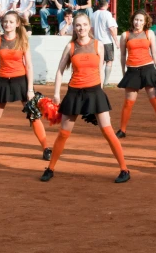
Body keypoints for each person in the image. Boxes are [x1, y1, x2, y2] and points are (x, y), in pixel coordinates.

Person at [42, 12, 129, 182]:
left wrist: (100, 92)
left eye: (84, 25)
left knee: (108, 131)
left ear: (90, 26)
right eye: (78, 25)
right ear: (74, 27)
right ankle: (50, 168)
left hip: (95, 92)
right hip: (74, 93)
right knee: (63, 133)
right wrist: (56, 94)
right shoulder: (70, 47)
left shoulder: (99, 45)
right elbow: (60, 71)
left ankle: (124, 169)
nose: (81, 28)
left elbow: (100, 70)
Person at [0, 11, 51, 161]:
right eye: (5, 21)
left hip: (21, 81)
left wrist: (30, 89)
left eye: (11, 22)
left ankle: (46, 148)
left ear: (17, 24)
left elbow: (29, 66)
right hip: (2, 82)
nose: (8, 24)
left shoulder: (23, 40)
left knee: (33, 114)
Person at [116, 10, 156, 140]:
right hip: (132, 70)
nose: (138, 22)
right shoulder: (125, 35)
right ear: (132, 20)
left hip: (148, 69)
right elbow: (123, 55)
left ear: (145, 22)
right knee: (128, 103)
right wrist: (123, 71)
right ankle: (122, 130)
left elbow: (155, 52)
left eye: (141, 20)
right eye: (136, 19)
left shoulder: (149, 33)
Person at [90, 0, 119, 86]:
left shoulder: (93, 14)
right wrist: (116, 41)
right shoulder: (107, 14)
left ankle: (96, 80)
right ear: (107, 5)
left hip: (96, 41)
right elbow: (111, 28)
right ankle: (105, 82)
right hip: (106, 41)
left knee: (99, 62)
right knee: (109, 61)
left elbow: (91, 29)